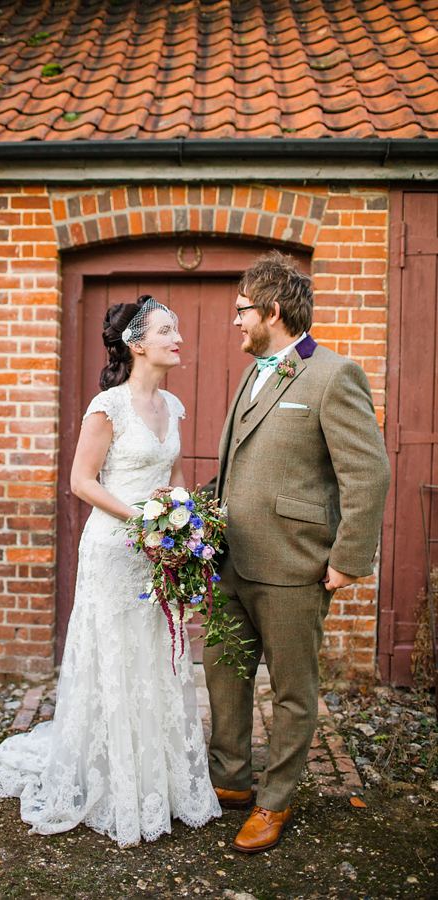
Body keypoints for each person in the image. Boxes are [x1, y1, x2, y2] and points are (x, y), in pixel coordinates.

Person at [0, 295, 221, 847]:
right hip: (114, 549)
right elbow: (82, 482)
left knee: (158, 654)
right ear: (138, 345)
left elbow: (176, 477)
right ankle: (110, 782)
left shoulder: (175, 407)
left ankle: (157, 778)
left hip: (157, 548)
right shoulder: (106, 406)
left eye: (177, 328)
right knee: (115, 655)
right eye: (167, 330)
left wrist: (181, 524)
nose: (177, 338)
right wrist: (146, 518)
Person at [203, 252, 391, 853]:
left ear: (272, 310)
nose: (234, 321)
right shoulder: (253, 369)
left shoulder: (334, 374)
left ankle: (274, 801)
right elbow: (242, 463)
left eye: (240, 310)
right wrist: (192, 519)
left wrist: (347, 558)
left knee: (292, 690)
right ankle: (229, 782)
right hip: (230, 560)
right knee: (223, 674)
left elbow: (368, 473)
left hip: (294, 565)